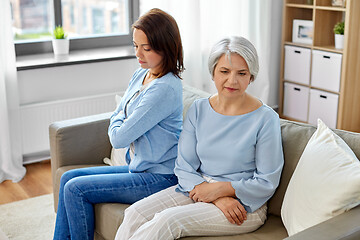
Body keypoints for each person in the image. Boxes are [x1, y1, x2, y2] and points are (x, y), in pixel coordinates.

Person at [115, 36, 284, 240]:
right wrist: (213, 195)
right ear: (213, 73)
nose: (232, 80)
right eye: (224, 71)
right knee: (135, 213)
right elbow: (184, 165)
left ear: (251, 77)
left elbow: (267, 181)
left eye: (242, 73)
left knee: (167, 221)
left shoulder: (266, 119)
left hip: (244, 206)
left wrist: (221, 190)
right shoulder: (199, 109)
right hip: (198, 189)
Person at [53, 8, 184, 240]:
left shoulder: (164, 88)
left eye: (147, 48)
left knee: (76, 189)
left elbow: (119, 137)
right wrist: (119, 118)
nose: (138, 54)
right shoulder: (141, 74)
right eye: (135, 46)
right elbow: (119, 114)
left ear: (166, 46)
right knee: (67, 179)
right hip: (140, 168)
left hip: (161, 177)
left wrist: (118, 119)